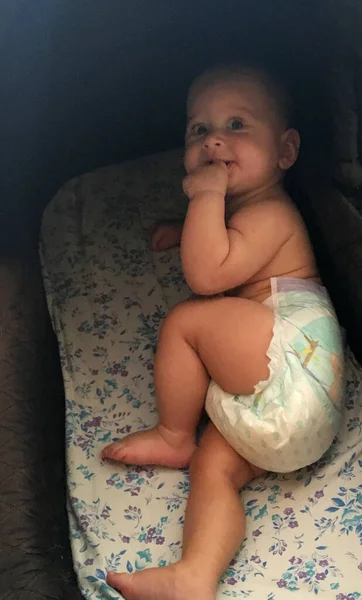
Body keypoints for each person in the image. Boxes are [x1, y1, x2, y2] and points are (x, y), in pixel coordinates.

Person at [101, 64, 345, 600]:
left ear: (284, 152)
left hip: (292, 361)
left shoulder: (274, 214)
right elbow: (215, 237)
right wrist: (187, 218)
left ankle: (172, 434)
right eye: (197, 129)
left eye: (237, 124)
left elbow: (207, 273)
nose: (213, 139)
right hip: (290, 419)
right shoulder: (247, 207)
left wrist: (205, 199)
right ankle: (195, 574)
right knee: (214, 469)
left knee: (188, 319)